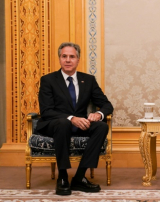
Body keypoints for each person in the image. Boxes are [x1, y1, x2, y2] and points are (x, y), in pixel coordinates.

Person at [36, 42, 113, 195]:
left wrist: (99, 114)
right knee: (63, 123)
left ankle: (79, 177)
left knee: (102, 126)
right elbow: (46, 111)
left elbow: (106, 104)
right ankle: (63, 176)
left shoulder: (88, 80)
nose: (68, 60)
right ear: (59, 59)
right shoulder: (48, 80)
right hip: (54, 124)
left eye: (72, 56)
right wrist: (71, 118)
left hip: (79, 124)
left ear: (78, 60)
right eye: (64, 56)